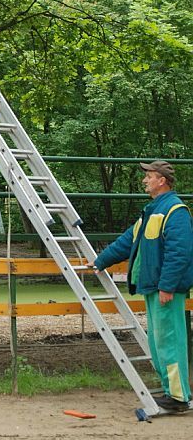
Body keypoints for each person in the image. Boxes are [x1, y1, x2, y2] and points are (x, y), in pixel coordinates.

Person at [89, 159, 193, 413]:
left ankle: (178, 398)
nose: (145, 180)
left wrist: (167, 286)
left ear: (162, 181)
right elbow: (128, 240)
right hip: (153, 287)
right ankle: (172, 393)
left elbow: (180, 253)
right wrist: (101, 261)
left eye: (149, 176)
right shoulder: (153, 210)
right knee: (158, 344)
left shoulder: (175, 211)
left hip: (164, 289)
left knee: (168, 341)